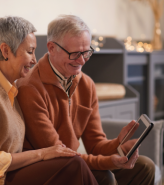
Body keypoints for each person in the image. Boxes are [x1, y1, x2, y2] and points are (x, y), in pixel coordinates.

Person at [17, 15, 155, 185]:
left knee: (145, 167)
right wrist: (109, 162)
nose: (82, 61)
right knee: (105, 176)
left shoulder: (86, 84)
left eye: (86, 52)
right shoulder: (30, 88)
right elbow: (60, 153)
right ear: (52, 48)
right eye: (75, 54)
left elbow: (96, 145)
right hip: (49, 168)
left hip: (74, 162)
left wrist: (119, 144)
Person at [0, 16, 98, 185]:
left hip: (11, 173)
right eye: (29, 51)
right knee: (73, 166)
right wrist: (41, 154)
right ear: (5, 51)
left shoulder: (9, 89)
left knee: (79, 169)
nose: (34, 60)